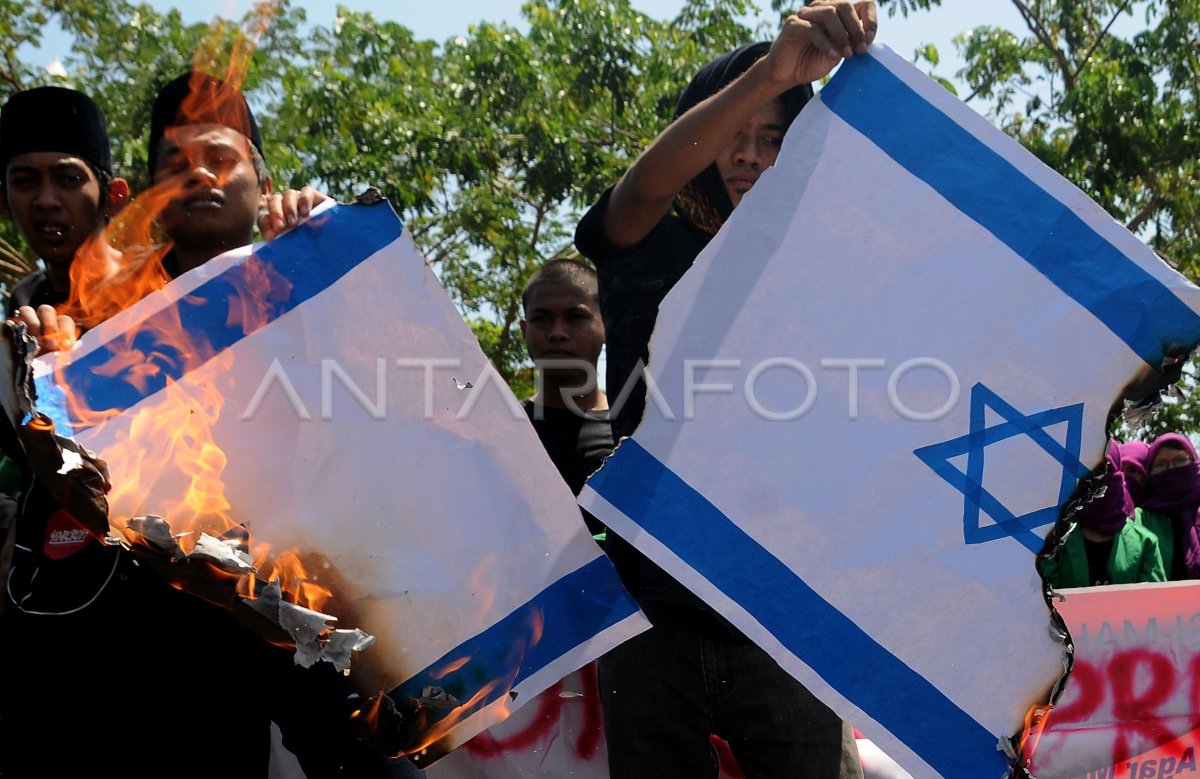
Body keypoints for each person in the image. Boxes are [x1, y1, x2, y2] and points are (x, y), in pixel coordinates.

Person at [0, 73, 422, 778]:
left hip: (311, 603)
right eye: (174, 165)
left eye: (221, 159)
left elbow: (405, 418)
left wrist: (335, 268)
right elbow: (79, 480)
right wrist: (49, 383)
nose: (198, 174)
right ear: (145, 194)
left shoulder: (318, 269)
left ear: (263, 182)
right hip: (162, 626)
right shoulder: (96, 313)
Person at [573, 4, 876, 777]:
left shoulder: (828, 275)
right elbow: (643, 188)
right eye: (734, 133)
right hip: (651, 616)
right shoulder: (649, 248)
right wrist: (773, 74)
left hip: (785, 620)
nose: (747, 155)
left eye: (773, 138)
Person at [520, 258, 612, 535]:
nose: (557, 332)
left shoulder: (635, 434)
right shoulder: (501, 434)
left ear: (606, 325)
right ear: (524, 331)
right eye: (542, 318)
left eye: (576, 317)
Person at [1041, 441, 1165, 588]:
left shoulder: (1145, 543)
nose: (1098, 478)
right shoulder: (1053, 540)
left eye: (1105, 469)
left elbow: (1155, 604)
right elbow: (1041, 601)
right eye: (1088, 471)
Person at [1137, 433, 1200, 580]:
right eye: (1161, 464)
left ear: (1194, 462)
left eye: (1180, 460)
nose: (1171, 468)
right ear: (1149, 472)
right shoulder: (1141, 520)